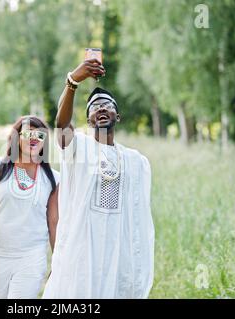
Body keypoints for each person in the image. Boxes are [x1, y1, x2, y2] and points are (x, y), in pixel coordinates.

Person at [42, 59, 155, 298]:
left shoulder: (136, 161)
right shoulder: (78, 148)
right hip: (83, 248)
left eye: (107, 105)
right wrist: (73, 82)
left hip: (117, 250)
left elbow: (138, 215)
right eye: (94, 107)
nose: (101, 109)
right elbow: (61, 125)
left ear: (118, 116)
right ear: (89, 120)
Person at [0, 115, 60, 299]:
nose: (34, 138)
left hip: (32, 257)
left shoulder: (53, 179)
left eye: (40, 135)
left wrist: (58, 261)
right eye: (28, 133)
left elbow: (53, 222)